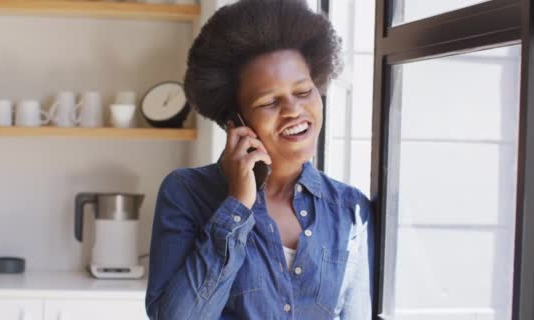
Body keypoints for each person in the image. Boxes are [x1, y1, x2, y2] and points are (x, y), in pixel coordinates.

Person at [145, 0, 374, 319]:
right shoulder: (186, 193)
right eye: (269, 101)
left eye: (304, 91)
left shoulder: (352, 211)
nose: (294, 109)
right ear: (236, 122)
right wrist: (237, 205)